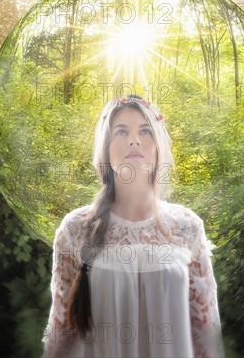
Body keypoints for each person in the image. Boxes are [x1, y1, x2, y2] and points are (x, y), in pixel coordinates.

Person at [42, 94, 223, 358]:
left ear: (159, 146)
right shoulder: (75, 230)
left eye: (145, 130)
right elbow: (60, 339)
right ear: (105, 148)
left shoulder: (188, 227)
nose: (134, 139)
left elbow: (205, 336)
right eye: (121, 131)